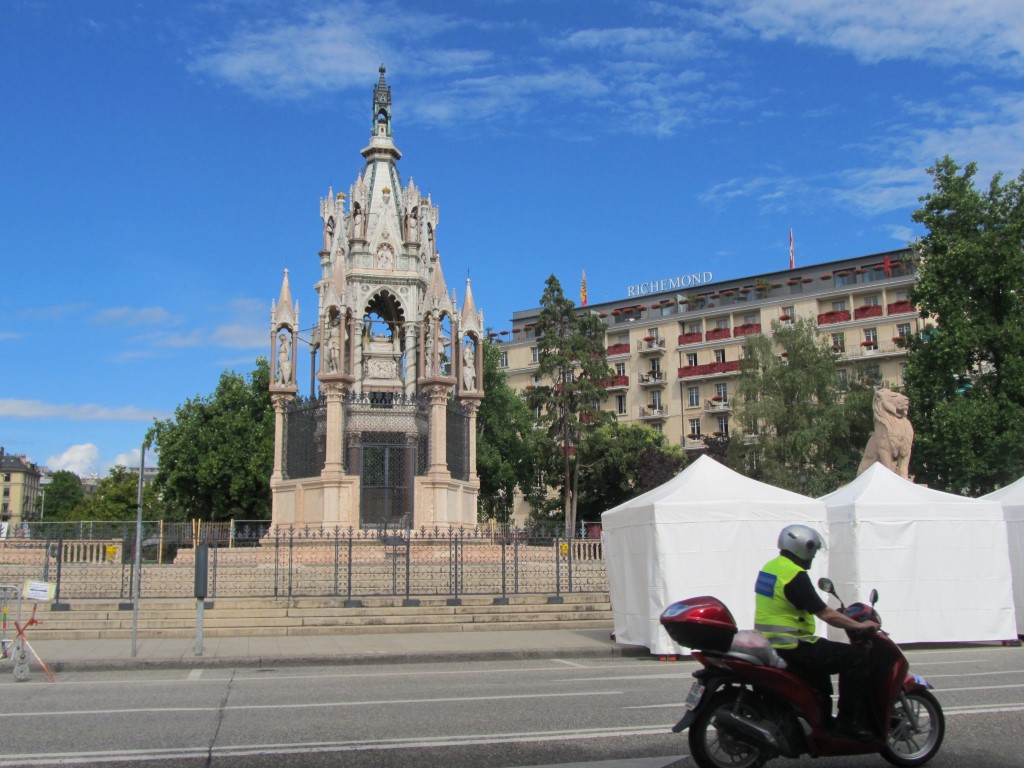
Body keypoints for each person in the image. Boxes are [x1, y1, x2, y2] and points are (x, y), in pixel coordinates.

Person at [754, 524, 880, 740]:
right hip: (792, 645)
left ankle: (820, 722)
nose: (813, 556)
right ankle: (848, 723)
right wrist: (859, 626)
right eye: (812, 550)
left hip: (770, 644)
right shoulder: (794, 575)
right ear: (802, 547)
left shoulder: (770, 567)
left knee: (821, 672)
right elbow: (826, 614)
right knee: (856, 657)